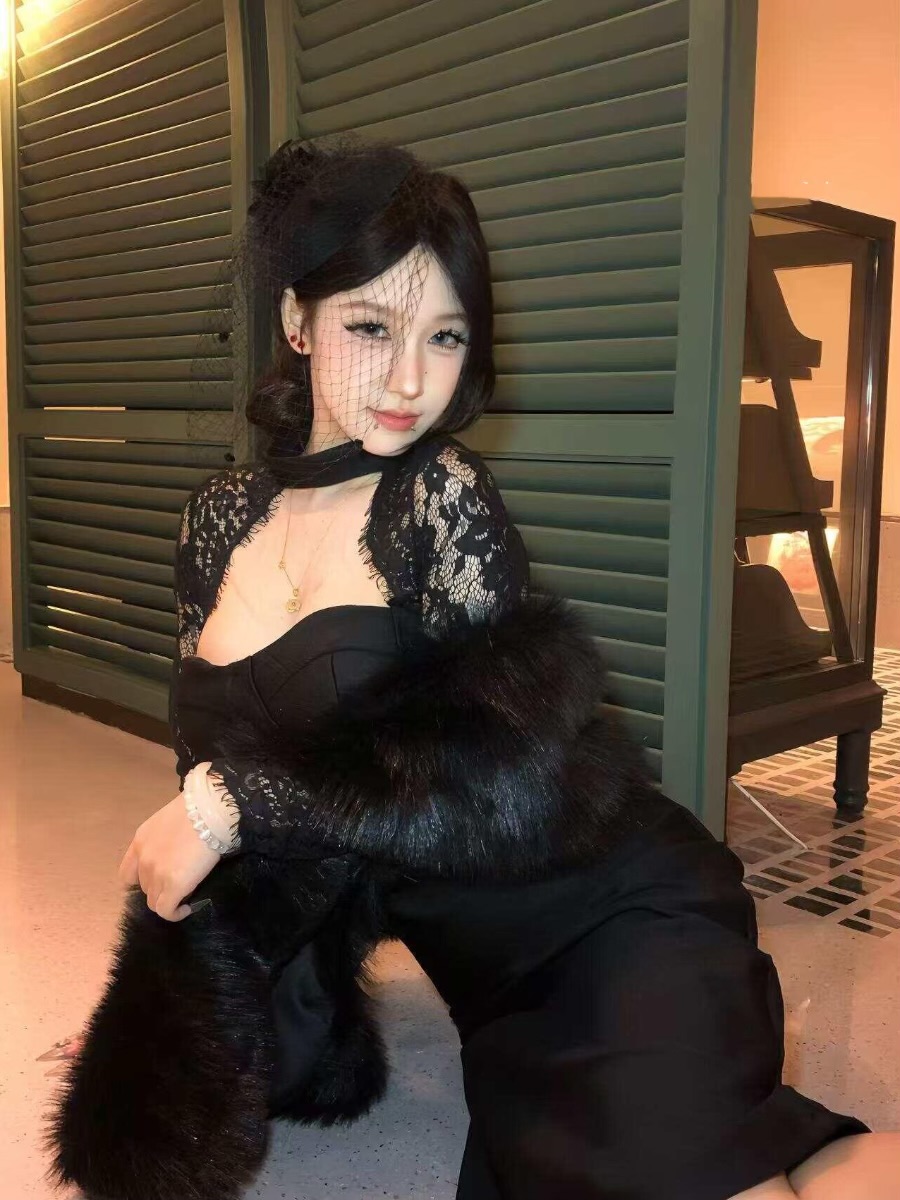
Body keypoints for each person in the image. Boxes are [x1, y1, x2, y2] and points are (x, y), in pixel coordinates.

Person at [50, 138, 899, 1200]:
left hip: (615, 916)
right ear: (297, 321)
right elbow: (237, 820)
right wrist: (161, 1037)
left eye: (445, 336)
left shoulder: (439, 495)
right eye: (372, 327)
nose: (413, 379)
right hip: (496, 982)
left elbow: (500, 778)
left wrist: (235, 803)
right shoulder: (217, 521)